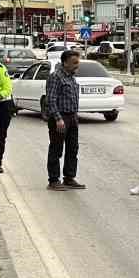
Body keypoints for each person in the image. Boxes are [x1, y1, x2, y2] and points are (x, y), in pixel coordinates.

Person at [43, 49, 86, 190]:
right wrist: (58, 119)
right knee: (56, 149)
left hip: (72, 117)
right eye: (74, 63)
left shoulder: (71, 77)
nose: (77, 65)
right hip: (60, 118)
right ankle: (54, 180)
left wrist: (75, 116)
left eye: (77, 62)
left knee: (73, 149)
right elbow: (50, 99)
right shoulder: (56, 77)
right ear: (65, 63)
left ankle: (69, 177)